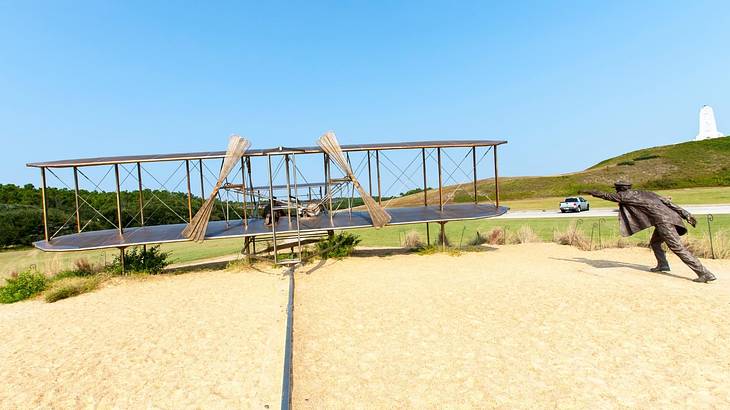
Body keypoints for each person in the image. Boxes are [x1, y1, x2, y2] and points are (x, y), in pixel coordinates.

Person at [580, 181, 716, 283]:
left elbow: (605, 196)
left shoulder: (624, 196)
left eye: (616, 189)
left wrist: (590, 191)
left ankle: (704, 273)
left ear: (620, 189)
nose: (616, 192)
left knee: (677, 248)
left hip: (664, 222)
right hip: (670, 218)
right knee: (655, 243)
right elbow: (668, 202)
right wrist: (686, 214)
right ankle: (663, 265)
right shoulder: (646, 193)